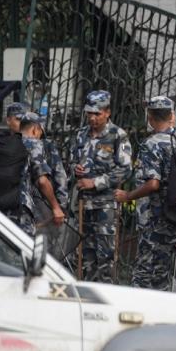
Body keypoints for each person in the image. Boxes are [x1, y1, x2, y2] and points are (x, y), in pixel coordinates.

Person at [116, 95, 176, 295]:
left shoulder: (151, 145)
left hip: (159, 220)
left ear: (149, 117)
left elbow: (152, 184)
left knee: (149, 274)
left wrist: (127, 196)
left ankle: (150, 316)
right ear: (172, 116)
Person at [69, 90, 133, 283]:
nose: (93, 118)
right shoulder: (81, 134)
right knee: (84, 255)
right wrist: (75, 169)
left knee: (105, 255)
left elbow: (125, 169)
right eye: (89, 113)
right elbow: (71, 161)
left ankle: (107, 294)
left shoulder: (118, 136)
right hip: (82, 204)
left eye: (97, 114)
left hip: (105, 205)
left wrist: (95, 183)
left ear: (107, 112)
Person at [20, 112, 70, 226]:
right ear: (35, 129)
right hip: (27, 207)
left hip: (7, 208)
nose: (40, 138)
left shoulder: (9, 142)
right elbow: (42, 180)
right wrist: (58, 207)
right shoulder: (34, 144)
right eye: (40, 133)